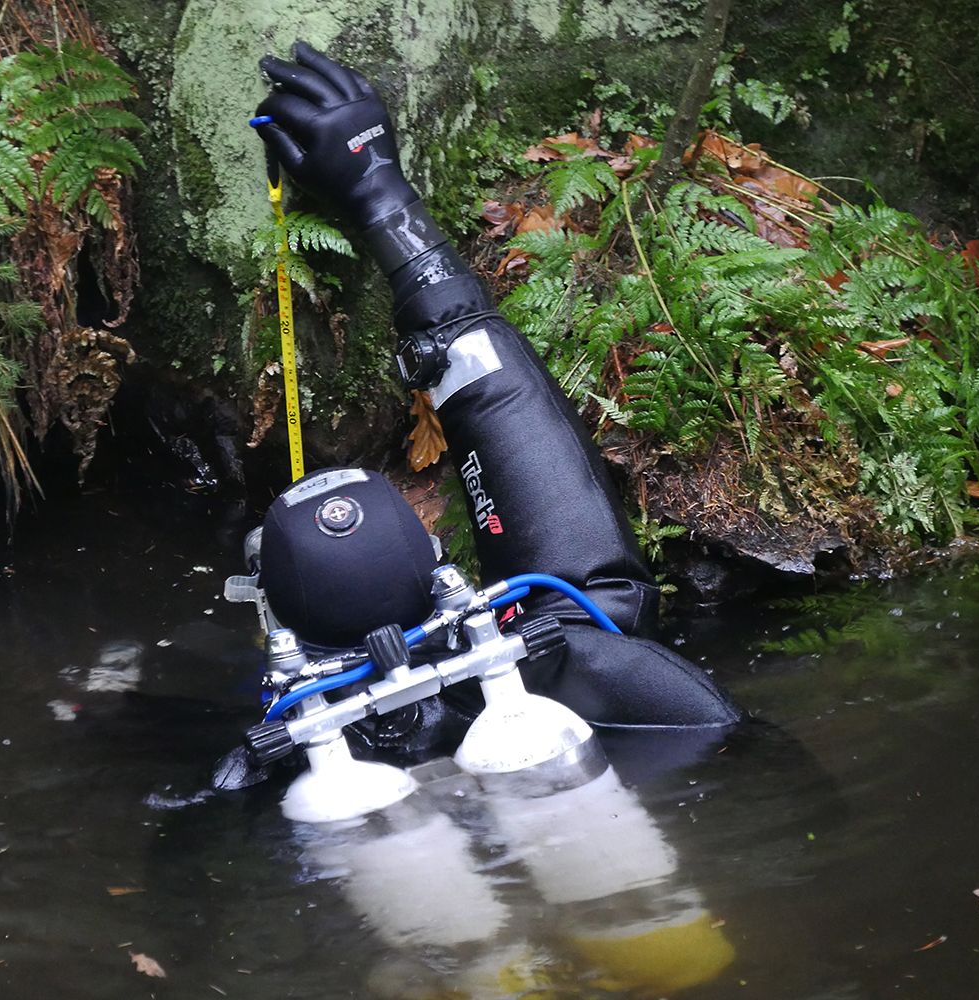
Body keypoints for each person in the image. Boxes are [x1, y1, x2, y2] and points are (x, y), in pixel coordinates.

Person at [249, 42, 742, 743]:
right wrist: (382, 197)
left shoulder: (267, 761)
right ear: (442, 577)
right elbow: (516, 428)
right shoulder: (602, 682)